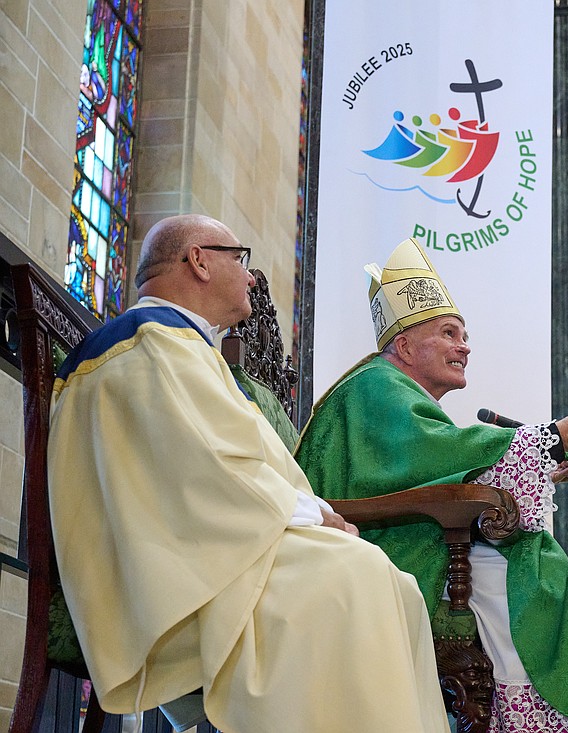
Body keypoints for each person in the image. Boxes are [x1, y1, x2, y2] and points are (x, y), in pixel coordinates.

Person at [46, 215, 449, 731]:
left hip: (212, 545)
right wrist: (316, 515)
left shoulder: (184, 347)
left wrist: (319, 515)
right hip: (173, 566)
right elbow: (201, 469)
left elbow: (225, 463)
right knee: (356, 578)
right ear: (199, 260)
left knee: (396, 584)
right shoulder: (148, 342)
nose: (252, 277)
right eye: (241, 259)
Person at [295, 238, 568, 733]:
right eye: (450, 333)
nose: (465, 346)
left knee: (543, 567)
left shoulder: (393, 388)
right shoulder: (376, 385)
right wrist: (553, 438)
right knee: (540, 575)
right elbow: (433, 457)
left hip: (406, 533)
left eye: (465, 335)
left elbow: (437, 461)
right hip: (383, 545)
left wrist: (551, 459)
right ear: (406, 345)